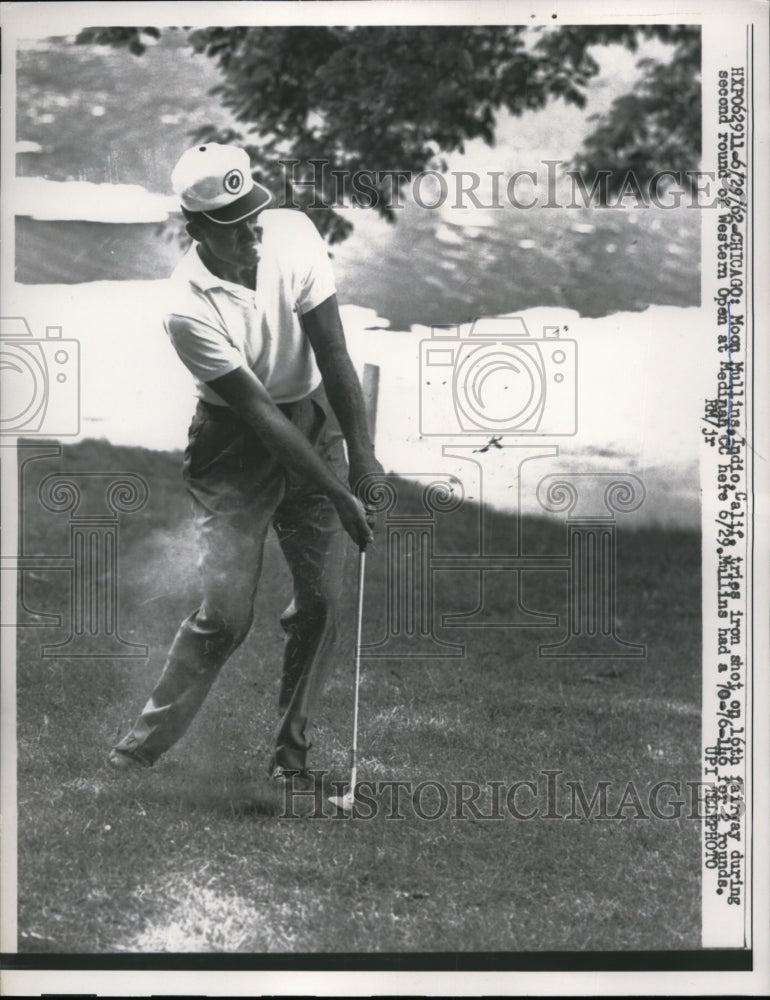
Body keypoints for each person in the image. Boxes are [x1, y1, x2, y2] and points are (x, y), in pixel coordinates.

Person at [108, 143, 382, 785]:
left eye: (256, 215)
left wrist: (362, 458)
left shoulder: (295, 235)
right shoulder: (186, 308)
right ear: (196, 228)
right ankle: (140, 748)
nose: (255, 236)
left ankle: (290, 759)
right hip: (233, 447)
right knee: (226, 617)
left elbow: (335, 357)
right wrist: (341, 495)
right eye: (235, 227)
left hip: (310, 422)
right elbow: (261, 418)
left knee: (320, 604)